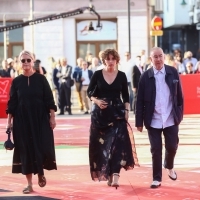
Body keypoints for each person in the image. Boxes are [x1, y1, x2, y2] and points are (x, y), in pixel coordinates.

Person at [6, 50, 57, 194]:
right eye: (23, 60)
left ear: (33, 61)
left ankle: (40, 171)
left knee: (41, 146)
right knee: (25, 150)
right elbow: (12, 103)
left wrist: (52, 117)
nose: (26, 63)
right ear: (19, 63)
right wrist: (9, 122)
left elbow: (49, 100)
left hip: (40, 118)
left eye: (28, 60)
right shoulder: (16, 81)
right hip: (22, 120)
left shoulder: (41, 79)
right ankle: (29, 184)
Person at [87, 48, 139, 189]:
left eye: (113, 59)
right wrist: (97, 101)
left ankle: (115, 174)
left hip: (117, 113)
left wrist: (127, 110)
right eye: (108, 59)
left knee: (117, 145)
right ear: (104, 60)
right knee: (104, 146)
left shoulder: (121, 76)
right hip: (101, 116)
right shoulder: (97, 75)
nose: (110, 61)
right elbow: (89, 92)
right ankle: (109, 174)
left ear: (117, 60)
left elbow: (126, 95)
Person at [135, 47, 184, 189]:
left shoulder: (172, 72)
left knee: (172, 146)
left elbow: (180, 96)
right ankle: (156, 178)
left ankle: (169, 165)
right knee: (155, 149)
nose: (158, 59)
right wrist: (139, 122)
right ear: (151, 59)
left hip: (170, 118)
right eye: (155, 57)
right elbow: (139, 101)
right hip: (153, 119)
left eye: (160, 56)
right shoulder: (145, 76)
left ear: (164, 57)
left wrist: (179, 115)